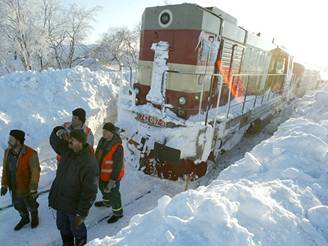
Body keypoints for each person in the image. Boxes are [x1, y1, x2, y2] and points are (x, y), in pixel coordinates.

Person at [49, 127, 98, 245]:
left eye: (73, 140)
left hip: (73, 207)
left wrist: (81, 214)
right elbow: (54, 142)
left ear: (81, 142)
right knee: (63, 227)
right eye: (70, 138)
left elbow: (90, 192)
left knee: (78, 230)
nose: (69, 141)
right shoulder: (67, 151)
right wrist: (58, 130)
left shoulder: (89, 164)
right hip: (60, 202)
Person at [1, 129, 40, 230]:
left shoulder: (31, 153)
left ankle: (34, 215)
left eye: (11, 139)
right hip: (14, 187)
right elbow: (5, 170)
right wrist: (4, 185)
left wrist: (33, 189)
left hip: (27, 187)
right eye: (9, 139)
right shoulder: (7, 153)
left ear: (18, 141)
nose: (8, 141)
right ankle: (25, 218)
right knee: (17, 205)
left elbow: (35, 172)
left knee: (31, 204)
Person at [94, 122, 124, 224]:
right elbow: (97, 153)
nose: (103, 133)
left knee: (114, 194)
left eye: (106, 131)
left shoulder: (118, 147)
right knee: (103, 189)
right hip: (102, 174)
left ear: (111, 133)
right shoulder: (102, 140)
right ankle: (107, 203)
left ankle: (118, 213)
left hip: (112, 177)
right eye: (103, 131)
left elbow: (117, 166)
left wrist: (112, 181)